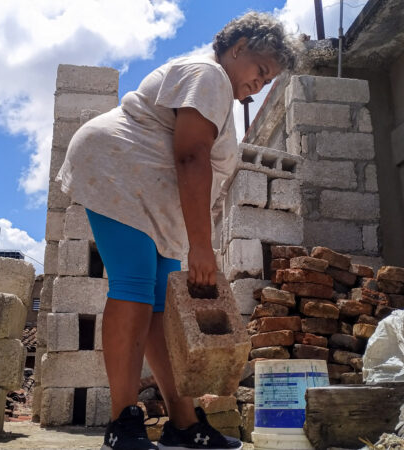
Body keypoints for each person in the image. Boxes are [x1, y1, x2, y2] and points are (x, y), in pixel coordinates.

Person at [56, 11, 297, 450]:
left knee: (160, 314)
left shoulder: (218, 87)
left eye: (268, 80)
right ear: (238, 46)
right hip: (121, 173)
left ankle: (184, 424)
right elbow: (191, 157)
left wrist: (195, 241)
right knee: (132, 286)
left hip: (154, 198)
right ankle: (122, 424)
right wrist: (202, 247)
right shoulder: (209, 75)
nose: (259, 85)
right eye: (260, 71)